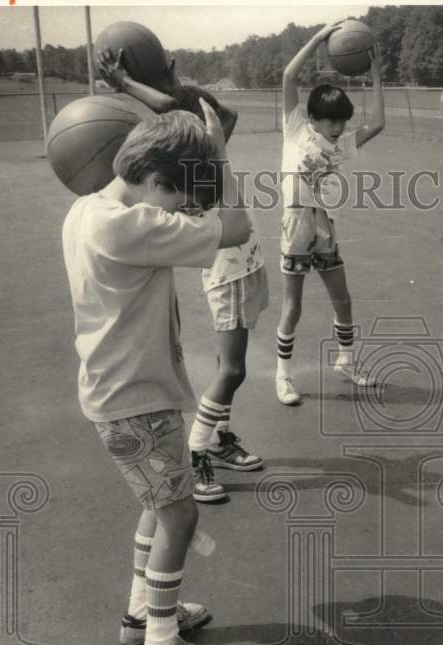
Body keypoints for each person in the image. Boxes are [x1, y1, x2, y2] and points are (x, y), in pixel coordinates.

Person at [62, 101, 251, 645]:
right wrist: (219, 150)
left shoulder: (87, 210)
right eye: (178, 195)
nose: (182, 211)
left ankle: (141, 614)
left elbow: (198, 212)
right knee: (180, 513)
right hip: (135, 399)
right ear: (153, 181)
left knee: (157, 501)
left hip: (122, 393)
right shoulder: (132, 225)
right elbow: (238, 226)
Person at [99, 49, 265, 503]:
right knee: (232, 370)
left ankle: (218, 438)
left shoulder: (209, 148)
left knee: (231, 367)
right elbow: (177, 114)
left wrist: (164, 85)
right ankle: (197, 451)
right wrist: (127, 85)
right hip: (228, 264)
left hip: (247, 260)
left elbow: (223, 112)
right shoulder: (191, 164)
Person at [275, 21, 385, 405]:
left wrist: (374, 74)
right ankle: (283, 376)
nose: (340, 127)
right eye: (334, 121)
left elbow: (379, 123)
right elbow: (290, 74)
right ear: (315, 119)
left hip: (324, 223)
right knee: (294, 306)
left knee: (344, 299)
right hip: (296, 221)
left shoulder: (343, 145)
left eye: (343, 121)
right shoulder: (296, 131)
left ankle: (346, 361)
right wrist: (319, 39)